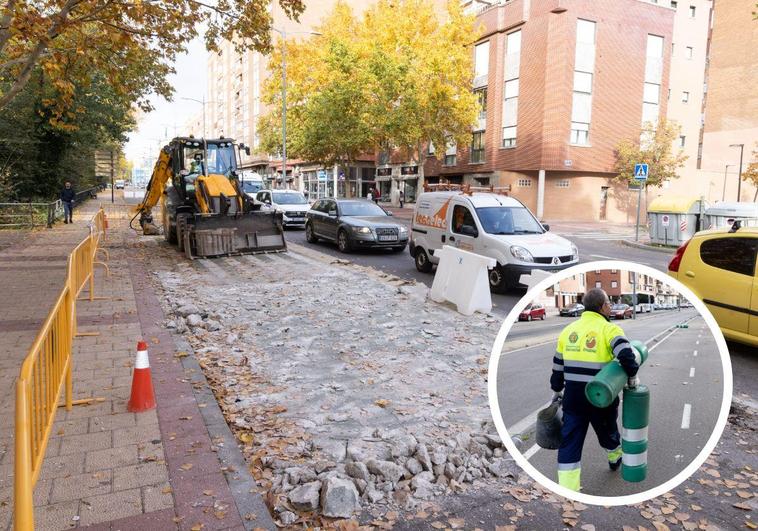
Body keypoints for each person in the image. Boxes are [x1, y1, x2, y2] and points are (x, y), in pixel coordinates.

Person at [551, 287, 640, 492]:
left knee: (570, 441)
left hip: (573, 398)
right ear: (603, 307)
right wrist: (632, 377)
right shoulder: (609, 329)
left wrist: (557, 389)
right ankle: (614, 456)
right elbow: (628, 356)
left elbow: (558, 365)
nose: (610, 306)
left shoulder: (569, 330)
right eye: (609, 303)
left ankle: (567, 488)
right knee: (607, 431)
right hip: (601, 397)